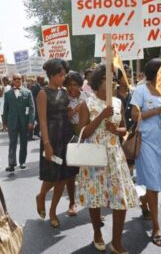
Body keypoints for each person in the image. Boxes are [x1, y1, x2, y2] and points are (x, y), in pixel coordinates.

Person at [77, 65, 138, 254]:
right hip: (94, 156)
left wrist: (115, 130)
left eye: (112, 77)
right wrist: (101, 117)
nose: (110, 80)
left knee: (121, 199)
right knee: (95, 199)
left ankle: (117, 242)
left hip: (115, 155)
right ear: (97, 81)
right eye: (106, 77)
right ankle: (97, 233)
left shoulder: (118, 102)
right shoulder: (88, 103)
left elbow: (125, 130)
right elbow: (83, 132)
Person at [131, 58, 161, 247]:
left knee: (157, 180)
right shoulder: (141, 90)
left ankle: (144, 201)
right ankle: (156, 227)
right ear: (154, 72)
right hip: (147, 141)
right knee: (153, 183)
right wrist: (157, 110)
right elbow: (135, 116)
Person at [35, 58, 79, 228]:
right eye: (61, 75)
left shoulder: (65, 92)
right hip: (51, 138)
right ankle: (41, 196)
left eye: (64, 74)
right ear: (52, 75)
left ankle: (53, 211)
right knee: (52, 176)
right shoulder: (43, 93)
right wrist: (46, 143)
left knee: (64, 177)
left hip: (65, 137)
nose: (64, 78)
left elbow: (65, 115)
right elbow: (43, 120)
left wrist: (76, 110)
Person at [64, 70, 88, 217]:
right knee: (71, 172)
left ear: (80, 85)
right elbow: (65, 116)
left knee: (88, 171)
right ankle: (72, 202)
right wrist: (76, 109)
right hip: (71, 135)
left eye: (75, 85)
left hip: (87, 134)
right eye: (69, 85)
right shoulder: (64, 98)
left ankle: (92, 204)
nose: (72, 88)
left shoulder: (87, 96)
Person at [2, 73, 35, 172]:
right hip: (12, 122)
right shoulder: (8, 94)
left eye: (19, 79)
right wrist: (4, 123)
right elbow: (5, 109)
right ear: (12, 80)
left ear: (22, 79)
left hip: (24, 122)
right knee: (12, 143)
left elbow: (32, 108)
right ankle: (11, 164)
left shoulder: (28, 92)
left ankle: (22, 162)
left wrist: (31, 121)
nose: (17, 80)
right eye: (15, 79)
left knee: (24, 143)